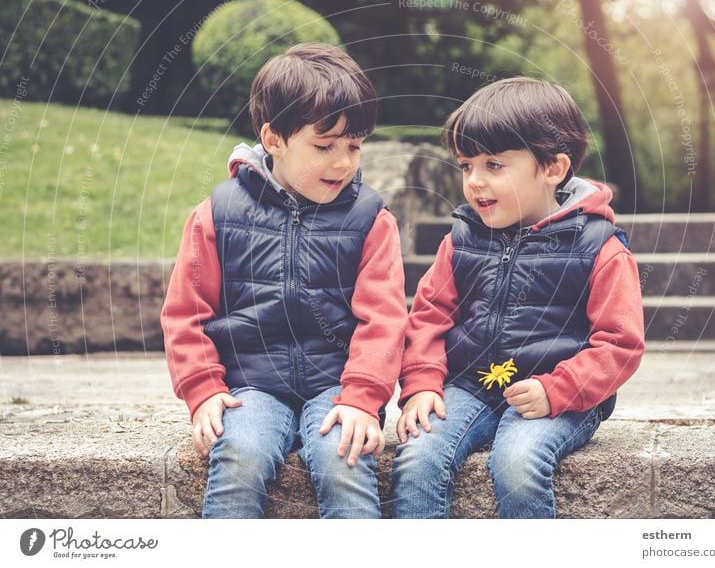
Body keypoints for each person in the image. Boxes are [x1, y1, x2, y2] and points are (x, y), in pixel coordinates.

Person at [161, 43, 407, 519]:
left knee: (345, 456)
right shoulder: (218, 215)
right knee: (240, 454)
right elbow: (185, 313)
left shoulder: (370, 219)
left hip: (340, 387)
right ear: (273, 139)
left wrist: (362, 398)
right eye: (324, 146)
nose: (344, 163)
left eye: (354, 146)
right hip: (249, 385)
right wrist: (204, 389)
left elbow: (384, 319)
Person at [392, 77, 645, 518]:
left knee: (515, 462)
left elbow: (620, 343)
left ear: (552, 168)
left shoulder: (600, 247)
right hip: (470, 385)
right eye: (466, 165)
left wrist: (557, 389)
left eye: (494, 165)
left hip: (560, 396)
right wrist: (422, 384)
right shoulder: (463, 238)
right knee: (416, 456)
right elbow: (429, 314)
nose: (474, 181)